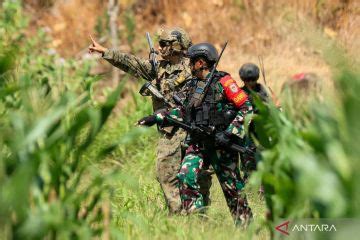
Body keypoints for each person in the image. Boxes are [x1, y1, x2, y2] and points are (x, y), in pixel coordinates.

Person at [89, 27, 212, 214]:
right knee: (165, 172)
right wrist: (106, 52)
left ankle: (201, 212)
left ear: (176, 46)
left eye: (164, 44)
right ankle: (178, 212)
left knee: (198, 174)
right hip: (171, 129)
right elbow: (132, 63)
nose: (160, 47)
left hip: (194, 127)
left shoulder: (193, 66)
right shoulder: (159, 67)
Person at [138, 43, 253, 225]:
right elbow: (181, 111)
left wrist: (231, 133)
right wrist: (156, 118)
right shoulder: (192, 86)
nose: (189, 65)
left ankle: (246, 229)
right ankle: (198, 224)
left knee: (233, 190)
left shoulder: (224, 82)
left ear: (200, 62)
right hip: (198, 142)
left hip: (222, 144)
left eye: (192, 62)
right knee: (186, 175)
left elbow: (247, 107)